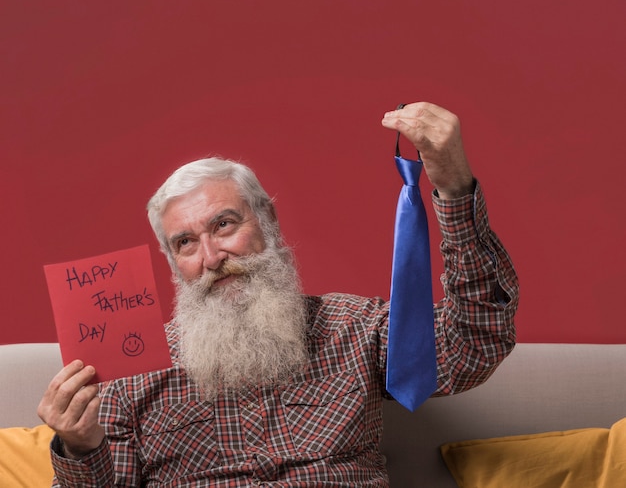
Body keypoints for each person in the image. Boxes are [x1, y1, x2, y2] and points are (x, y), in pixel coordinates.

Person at [39, 102, 519, 487]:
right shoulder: (129, 379)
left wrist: (454, 188)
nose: (210, 257)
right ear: (172, 263)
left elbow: (471, 349)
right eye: (185, 243)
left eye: (223, 225)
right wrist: (80, 446)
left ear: (266, 222)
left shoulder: (355, 329)